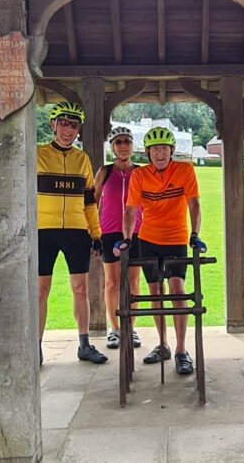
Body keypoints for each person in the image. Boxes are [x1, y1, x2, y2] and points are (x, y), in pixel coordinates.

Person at [114, 127, 206, 376]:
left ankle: (181, 349)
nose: (160, 153)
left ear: (172, 151)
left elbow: (194, 203)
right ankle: (163, 343)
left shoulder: (185, 170)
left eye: (164, 148)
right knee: (155, 291)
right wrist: (127, 238)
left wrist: (195, 234)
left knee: (177, 290)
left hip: (176, 238)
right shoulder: (140, 175)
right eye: (155, 149)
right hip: (149, 239)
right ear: (148, 153)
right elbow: (131, 209)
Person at [37, 101, 107, 365]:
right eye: (64, 124)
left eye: (74, 125)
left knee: (81, 289)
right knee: (41, 290)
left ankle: (84, 345)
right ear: (53, 125)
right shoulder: (38, 155)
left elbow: (89, 201)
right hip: (43, 230)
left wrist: (96, 234)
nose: (68, 130)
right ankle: (35, 346)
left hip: (77, 231)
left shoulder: (82, 159)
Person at [95, 126, 143, 350]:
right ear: (113, 147)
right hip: (110, 232)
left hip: (137, 232)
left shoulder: (141, 172)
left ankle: (130, 328)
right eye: (119, 142)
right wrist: (93, 232)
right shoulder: (105, 172)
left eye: (127, 141)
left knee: (133, 282)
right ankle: (115, 329)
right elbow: (94, 202)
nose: (123, 146)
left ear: (133, 146)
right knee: (112, 282)